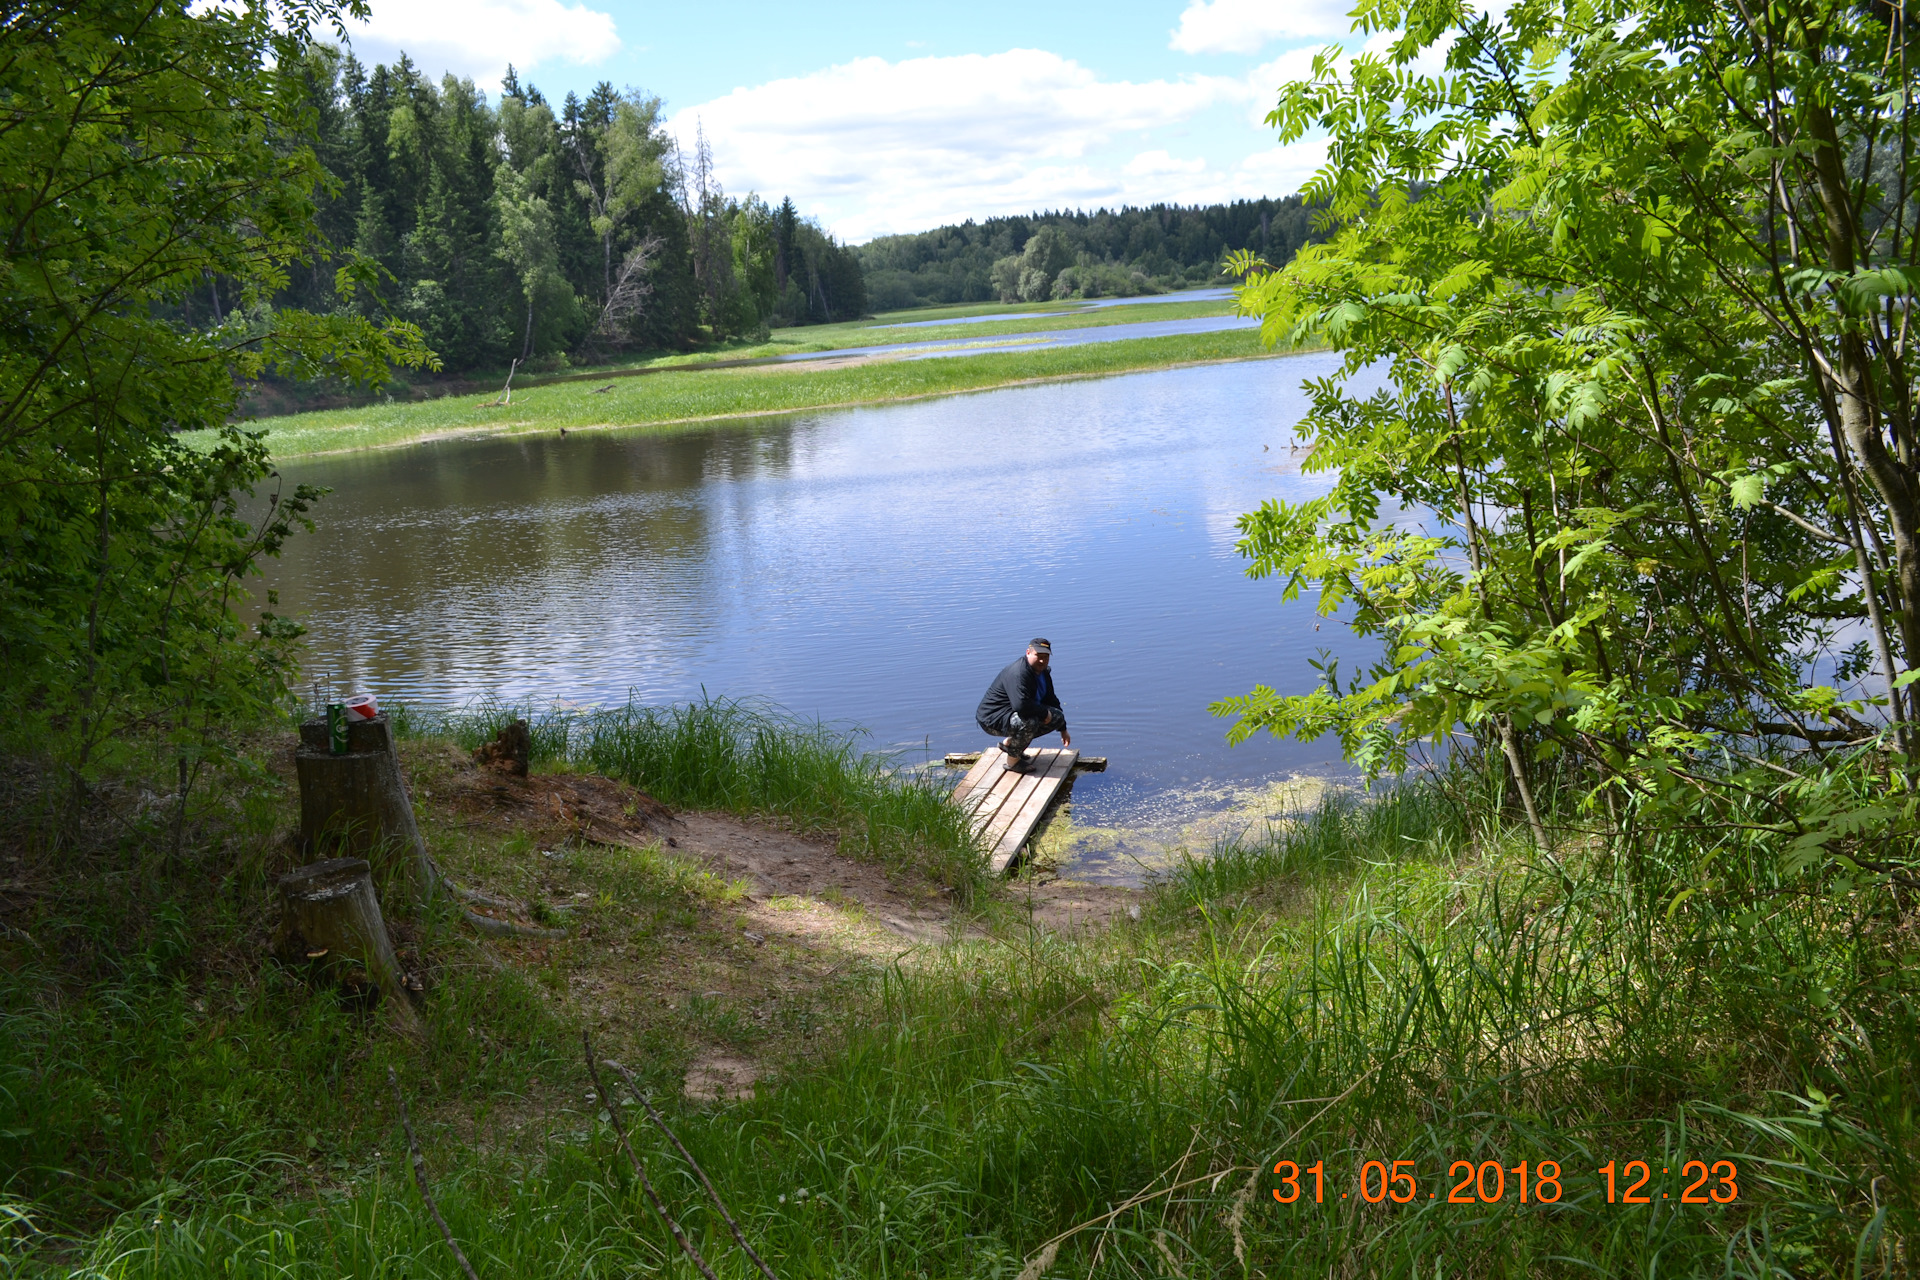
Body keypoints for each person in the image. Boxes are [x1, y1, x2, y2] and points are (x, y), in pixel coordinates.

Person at [975, 638, 1069, 772]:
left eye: (1046, 657)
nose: (1042, 661)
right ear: (1028, 653)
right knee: (1029, 721)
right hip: (992, 719)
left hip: (1013, 715)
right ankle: (1012, 762)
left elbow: (1051, 699)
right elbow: (1021, 706)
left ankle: (1012, 744)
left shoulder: (1043, 673)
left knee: (1057, 717)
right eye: (1038, 656)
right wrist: (1044, 713)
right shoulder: (1019, 673)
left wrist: (1063, 729)